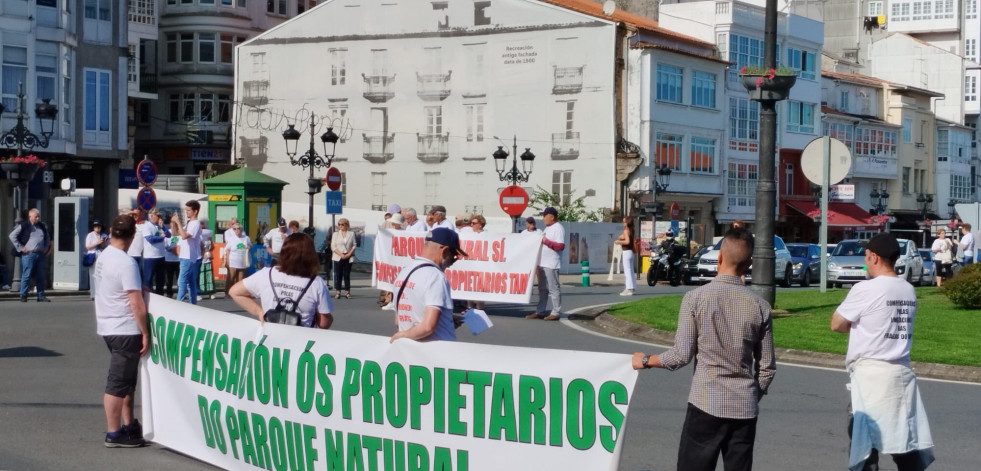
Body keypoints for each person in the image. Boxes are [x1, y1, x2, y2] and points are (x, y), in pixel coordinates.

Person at [632, 227, 776, 471]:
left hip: (706, 403)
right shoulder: (760, 307)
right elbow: (767, 369)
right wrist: (753, 395)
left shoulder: (695, 298)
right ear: (749, 264)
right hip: (744, 409)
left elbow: (681, 355)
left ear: (719, 257)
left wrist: (646, 360)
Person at [830, 232, 934, 471]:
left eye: (866, 255)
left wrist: (859, 325)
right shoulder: (907, 289)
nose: (864, 260)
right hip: (900, 371)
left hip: (871, 374)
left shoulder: (865, 289)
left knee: (866, 444)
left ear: (875, 257)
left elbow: (836, 324)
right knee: (904, 440)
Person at [93, 214, 150, 448]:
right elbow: (135, 302)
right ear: (132, 235)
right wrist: (145, 331)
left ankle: (129, 424)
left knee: (127, 380)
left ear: (110, 231)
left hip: (107, 323)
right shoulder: (126, 263)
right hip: (124, 327)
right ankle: (113, 432)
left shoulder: (104, 256)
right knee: (117, 383)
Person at [229, 233, 333, 329]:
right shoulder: (316, 283)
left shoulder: (266, 274)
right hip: (302, 341)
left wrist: (260, 312)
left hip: (271, 339)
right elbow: (323, 323)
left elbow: (234, 292)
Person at [390, 227, 466, 342]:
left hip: (408, 349)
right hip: (435, 351)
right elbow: (427, 327)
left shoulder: (403, 272)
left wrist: (446, 321)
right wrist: (403, 335)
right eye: (454, 256)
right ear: (444, 251)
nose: (453, 261)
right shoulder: (436, 277)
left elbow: (398, 321)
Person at [526, 207, 565, 321]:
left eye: (544, 216)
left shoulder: (558, 228)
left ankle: (556, 312)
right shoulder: (548, 228)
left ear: (551, 217)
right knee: (542, 288)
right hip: (542, 263)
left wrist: (546, 241)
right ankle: (540, 311)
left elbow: (560, 246)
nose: (543, 218)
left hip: (551, 263)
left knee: (553, 288)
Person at [8, 208, 52, 302]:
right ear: (30, 216)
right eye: (36, 216)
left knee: (40, 275)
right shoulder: (25, 225)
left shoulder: (41, 226)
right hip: (29, 254)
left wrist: (45, 247)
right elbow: (12, 235)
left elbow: (47, 237)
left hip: (40, 254)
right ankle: (23, 294)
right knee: (26, 274)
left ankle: (40, 296)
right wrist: (20, 247)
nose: (37, 218)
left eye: (38, 216)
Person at [171, 200, 202, 304]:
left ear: (195, 211)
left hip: (188, 256)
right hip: (185, 255)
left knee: (182, 280)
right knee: (189, 282)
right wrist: (173, 223)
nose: (186, 212)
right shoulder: (189, 223)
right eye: (186, 210)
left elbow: (184, 236)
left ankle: (179, 303)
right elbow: (175, 234)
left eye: (188, 210)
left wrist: (178, 222)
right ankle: (192, 303)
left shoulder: (196, 223)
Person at [141, 209, 169, 295]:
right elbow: (150, 239)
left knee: (160, 279)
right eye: (158, 216)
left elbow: (169, 235)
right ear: (152, 216)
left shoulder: (159, 226)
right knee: (148, 279)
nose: (160, 218)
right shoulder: (147, 226)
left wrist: (163, 226)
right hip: (150, 257)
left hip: (161, 256)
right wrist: (161, 237)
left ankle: (160, 295)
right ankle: (147, 296)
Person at [222, 222, 251, 297]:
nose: (237, 230)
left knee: (240, 279)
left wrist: (248, 247)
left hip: (242, 261)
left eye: (238, 228)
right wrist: (226, 260)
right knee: (231, 277)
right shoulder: (231, 239)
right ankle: (227, 293)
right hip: (233, 261)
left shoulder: (246, 238)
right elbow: (227, 250)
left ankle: (238, 293)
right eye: (234, 229)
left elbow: (250, 246)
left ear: (241, 229)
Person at [330, 218, 356, 300]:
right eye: (339, 224)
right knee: (338, 274)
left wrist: (348, 254)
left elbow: (354, 245)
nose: (340, 226)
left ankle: (347, 292)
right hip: (338, 256)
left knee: (347, 275)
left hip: (348, 256)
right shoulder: (335, 234)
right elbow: (333, 246)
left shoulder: (351, 234)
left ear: (347, 225)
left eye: (342, 224)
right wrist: (341, 254)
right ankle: (338, 292)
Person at [465, 215, 487, 310]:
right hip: (470, 265)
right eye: (471, 223)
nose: (471, 225)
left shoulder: (486, 235)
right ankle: (469, 307)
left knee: (479, 289)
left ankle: (480, 309)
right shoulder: (467, 234)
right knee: (468, 287)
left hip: (481, 266)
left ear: (480, 225)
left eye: (474, 223)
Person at [85, 219, 108, 300]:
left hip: (101, 254)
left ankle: (101, 293)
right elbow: (88, 247)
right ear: (93, 228)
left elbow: (105, 247)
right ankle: (93, 294)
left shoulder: (104, 235)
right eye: (96, 226)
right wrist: (96, 243)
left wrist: (103, 243)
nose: (98, 228)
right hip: (93, 255)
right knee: (93, 275)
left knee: (101, 274)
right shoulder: (90, 235)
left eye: (99, 226)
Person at [614, 216, 636, 296]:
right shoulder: (631, 230)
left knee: (627, 271)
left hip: (626, 251)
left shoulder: (626, 231)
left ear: (627, 223)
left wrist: (618, 242)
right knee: (631, 270)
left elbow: (627, 241)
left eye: (624, 222)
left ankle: (628, 289)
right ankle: (632, 287)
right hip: (631, 252)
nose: (622, 223)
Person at [126, 210, 145, 274]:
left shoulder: (145, 225)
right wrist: (130, 212)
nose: (135, 216)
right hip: (130, 254)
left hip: (141, 255)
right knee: (131, 274)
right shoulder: (129, 225)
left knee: (141, 275)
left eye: (136, 214)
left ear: (140, 214)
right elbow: (121, 220)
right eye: (133, 214)